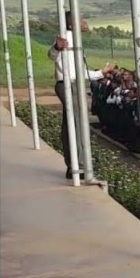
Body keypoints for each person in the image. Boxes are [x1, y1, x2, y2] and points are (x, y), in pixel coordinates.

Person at [48, 13, 109, 179]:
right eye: (80, 19)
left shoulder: (75, 39)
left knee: (71, 125)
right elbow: (53, 55)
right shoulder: (66, 38)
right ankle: (80, 166)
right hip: (69, 85)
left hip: (74, 83)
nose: (85, 22)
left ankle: (73, 164)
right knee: (77, 124)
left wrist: (100, 73)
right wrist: (56, 48)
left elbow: (79, 71)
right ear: (70, 24)